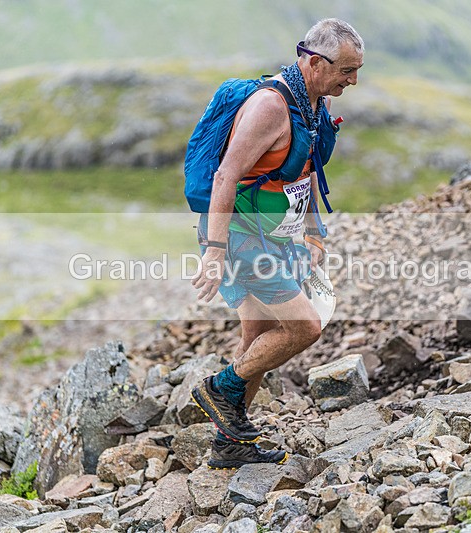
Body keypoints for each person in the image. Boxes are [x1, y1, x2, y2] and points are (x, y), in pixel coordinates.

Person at [190, 18, 364, 469]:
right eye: (347, 70)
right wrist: (214, 250)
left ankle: (229, 444)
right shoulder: (271, 106)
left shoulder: (313, 101)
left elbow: (304, 171)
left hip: (275, 232)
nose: (354, 80)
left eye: (356, 70)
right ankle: (219, 389)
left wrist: (311, 232)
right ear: (313, 61)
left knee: (260, 336)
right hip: (240, 234)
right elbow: (225, 175)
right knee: (305, 326)